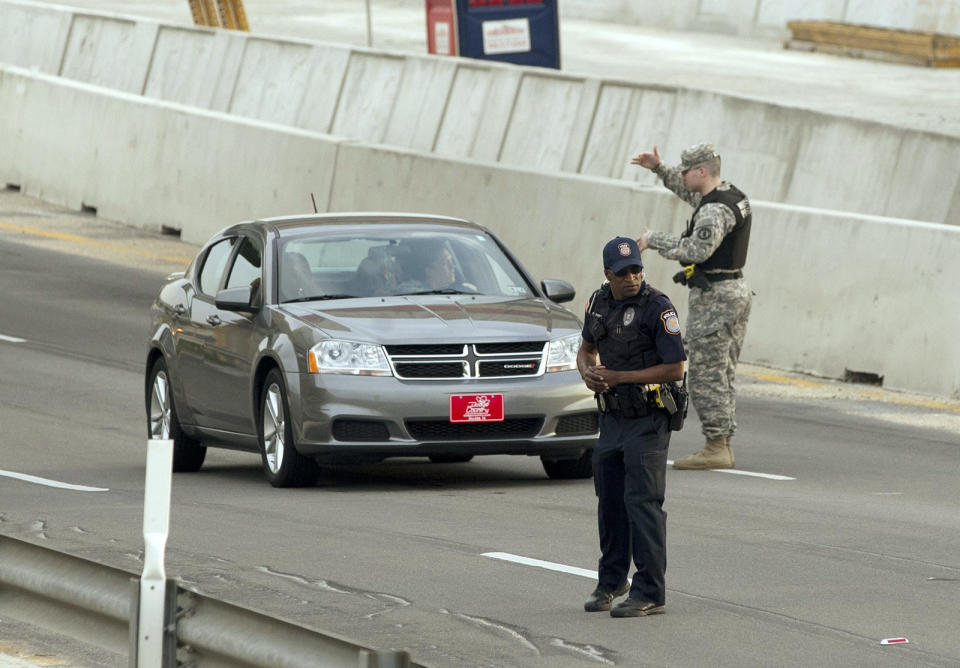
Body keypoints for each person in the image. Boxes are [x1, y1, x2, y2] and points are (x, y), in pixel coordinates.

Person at [578, 237, 686, 617]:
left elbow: (675, 368)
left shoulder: (657, 307)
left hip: (649, 418)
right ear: (608, 274)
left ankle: (650, 591)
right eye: (623, 272)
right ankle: (611, 582)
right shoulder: (598, 302)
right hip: (612, 418)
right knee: (610, 502)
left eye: (636, 269)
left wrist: (622, 377)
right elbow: (585, 349)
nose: (632, 277)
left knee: (642, 503)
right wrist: (588, 373)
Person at [631, 143, 752, 470]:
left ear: (701, 171)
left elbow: (697, 250)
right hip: (734, 291)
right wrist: (659, 168)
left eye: (686, 170)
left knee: (706, 374)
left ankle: (716, 445)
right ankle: (722, 441)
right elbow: (690, 194)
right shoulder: (731, 196)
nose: (682, 176)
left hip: (716, 299)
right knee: (724, 371)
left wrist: (653, 240)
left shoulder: (714, 211)